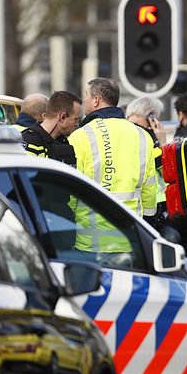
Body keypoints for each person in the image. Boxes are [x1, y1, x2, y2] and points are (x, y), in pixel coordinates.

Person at [69, 78, 157, 265]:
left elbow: (71, 193)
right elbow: (149, 187)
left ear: (96, 100)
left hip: (90, 242)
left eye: (86, 95)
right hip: (130, 238)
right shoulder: (142, 136)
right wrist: (148, 224)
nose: (84, 100)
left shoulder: (80, 136)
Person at [126, 96, 168, 225]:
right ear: (151, 118)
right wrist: (163, 142)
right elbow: (165, 168)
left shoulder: (124, 133)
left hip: (129, 202)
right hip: (151, 205)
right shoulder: (146, 139)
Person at [21, 90, 81, 166]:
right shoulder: (30, 142)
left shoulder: (63, 142)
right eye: (75, 119)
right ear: (62, 117)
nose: (77, 124)